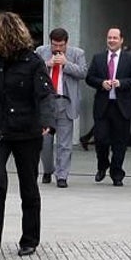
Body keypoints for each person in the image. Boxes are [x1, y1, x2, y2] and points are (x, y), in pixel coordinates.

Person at [0, 11, 54, 260]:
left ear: (5, 34)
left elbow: (45, 94)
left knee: (28, 186)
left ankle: (29, 238)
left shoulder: (33, 63)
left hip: (27, 131)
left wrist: (46, 121)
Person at [85, 26, 131, 186]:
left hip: (122, 107)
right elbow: (89, 78)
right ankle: (102, 165)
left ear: (121, 40)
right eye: (109, 37)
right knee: (101, 140)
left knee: (120, 143)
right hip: (103, 106)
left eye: (115, 38)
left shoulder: (130, 58)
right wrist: (101, 83)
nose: (111, 40)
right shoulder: (98, 58)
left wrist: (121, 83)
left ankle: (117, 173)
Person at [35, 27, 87, 187]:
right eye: (54, 45)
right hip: (46, 102)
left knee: (65, 143)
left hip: (65, 101)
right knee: (45, 142)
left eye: (61, 45)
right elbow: (31, 71)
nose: (57, 48)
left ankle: (62, 175)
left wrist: (66, 64)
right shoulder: (40, 51)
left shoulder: (77, 53)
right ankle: (48, 170)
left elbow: (84, 73)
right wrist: (47, 64)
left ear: (66, 43)